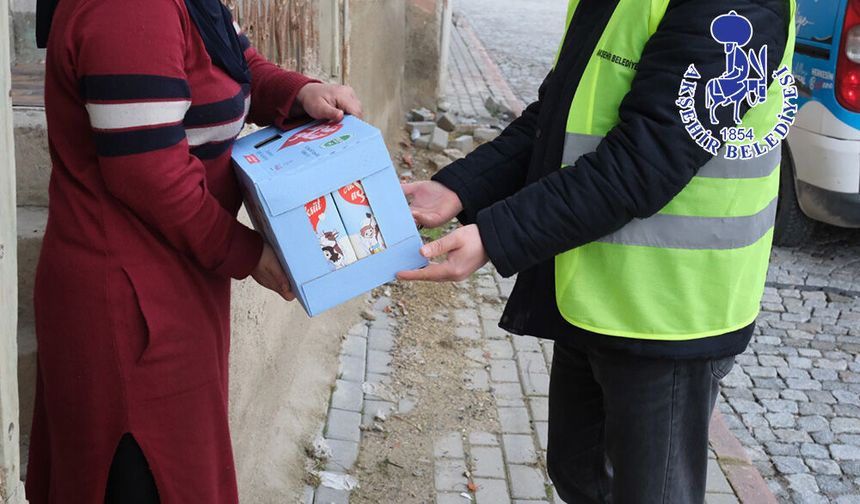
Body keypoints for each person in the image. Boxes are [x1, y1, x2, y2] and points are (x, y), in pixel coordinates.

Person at [399, 0, 794, 502]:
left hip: (673, 313)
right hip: (595, 290)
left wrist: (497, 236)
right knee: (579, 475)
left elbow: (647, 157)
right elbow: (558, 114)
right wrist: (460, 188)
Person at [28, 0, 362, 502]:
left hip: (173, 280)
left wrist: (299, 93)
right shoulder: (128, 10)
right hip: (129, 305)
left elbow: (229, 60)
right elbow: (150, 175)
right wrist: (250, 255)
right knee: (148, 475)